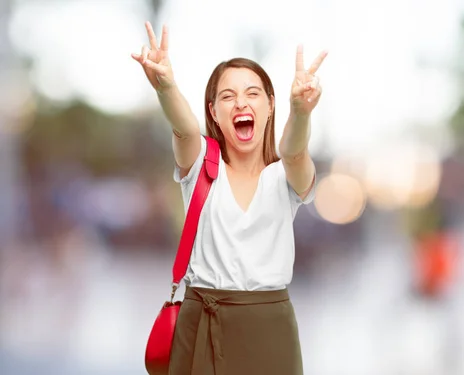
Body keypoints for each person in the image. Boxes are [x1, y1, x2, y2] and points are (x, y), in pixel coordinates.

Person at [131, 21, 327, 375]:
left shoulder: (283, 176)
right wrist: (166, 87)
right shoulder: (201, 166)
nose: (240, 102)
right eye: (227, 96)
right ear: (214, 113)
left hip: (270, 330)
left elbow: (295, 152)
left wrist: (300, 111)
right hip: (201, 324)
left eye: (252, 94)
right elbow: (184, 128)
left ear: (269, 107)